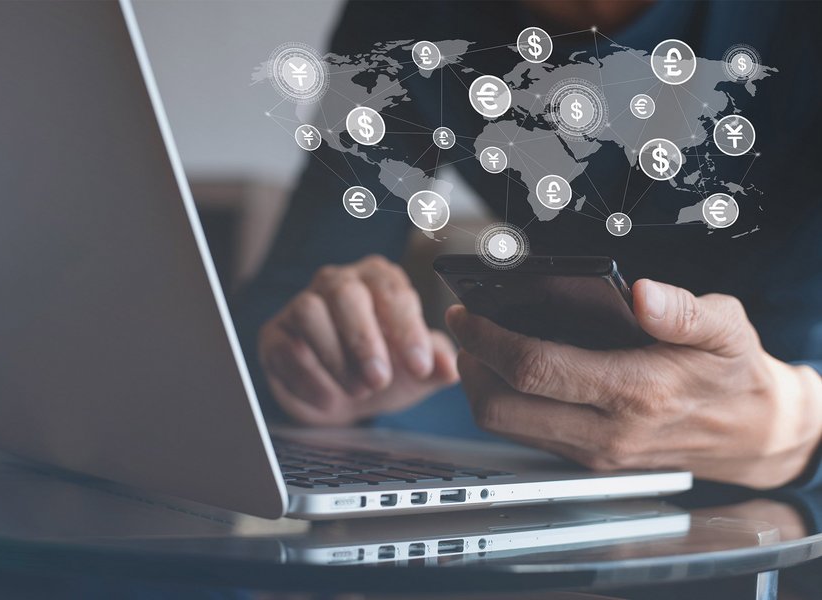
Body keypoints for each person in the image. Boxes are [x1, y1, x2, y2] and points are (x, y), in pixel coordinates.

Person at [234, 0, 822, 490]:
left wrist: (794, 427)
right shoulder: (404, 16)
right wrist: (315, 363)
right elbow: (284, 303)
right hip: (548, 449)